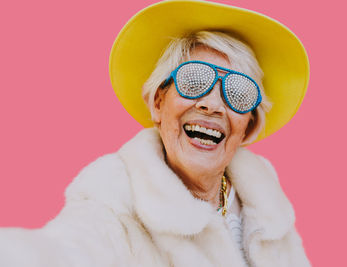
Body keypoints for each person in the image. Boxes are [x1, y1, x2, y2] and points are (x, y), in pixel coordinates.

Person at [0, 0, 311, 266]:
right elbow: (61, 252)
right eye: (193, 80)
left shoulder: (268, 208)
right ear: (158, 103)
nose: (213, 105)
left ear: (248, 126)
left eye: (238, 93)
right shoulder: (112, 197)